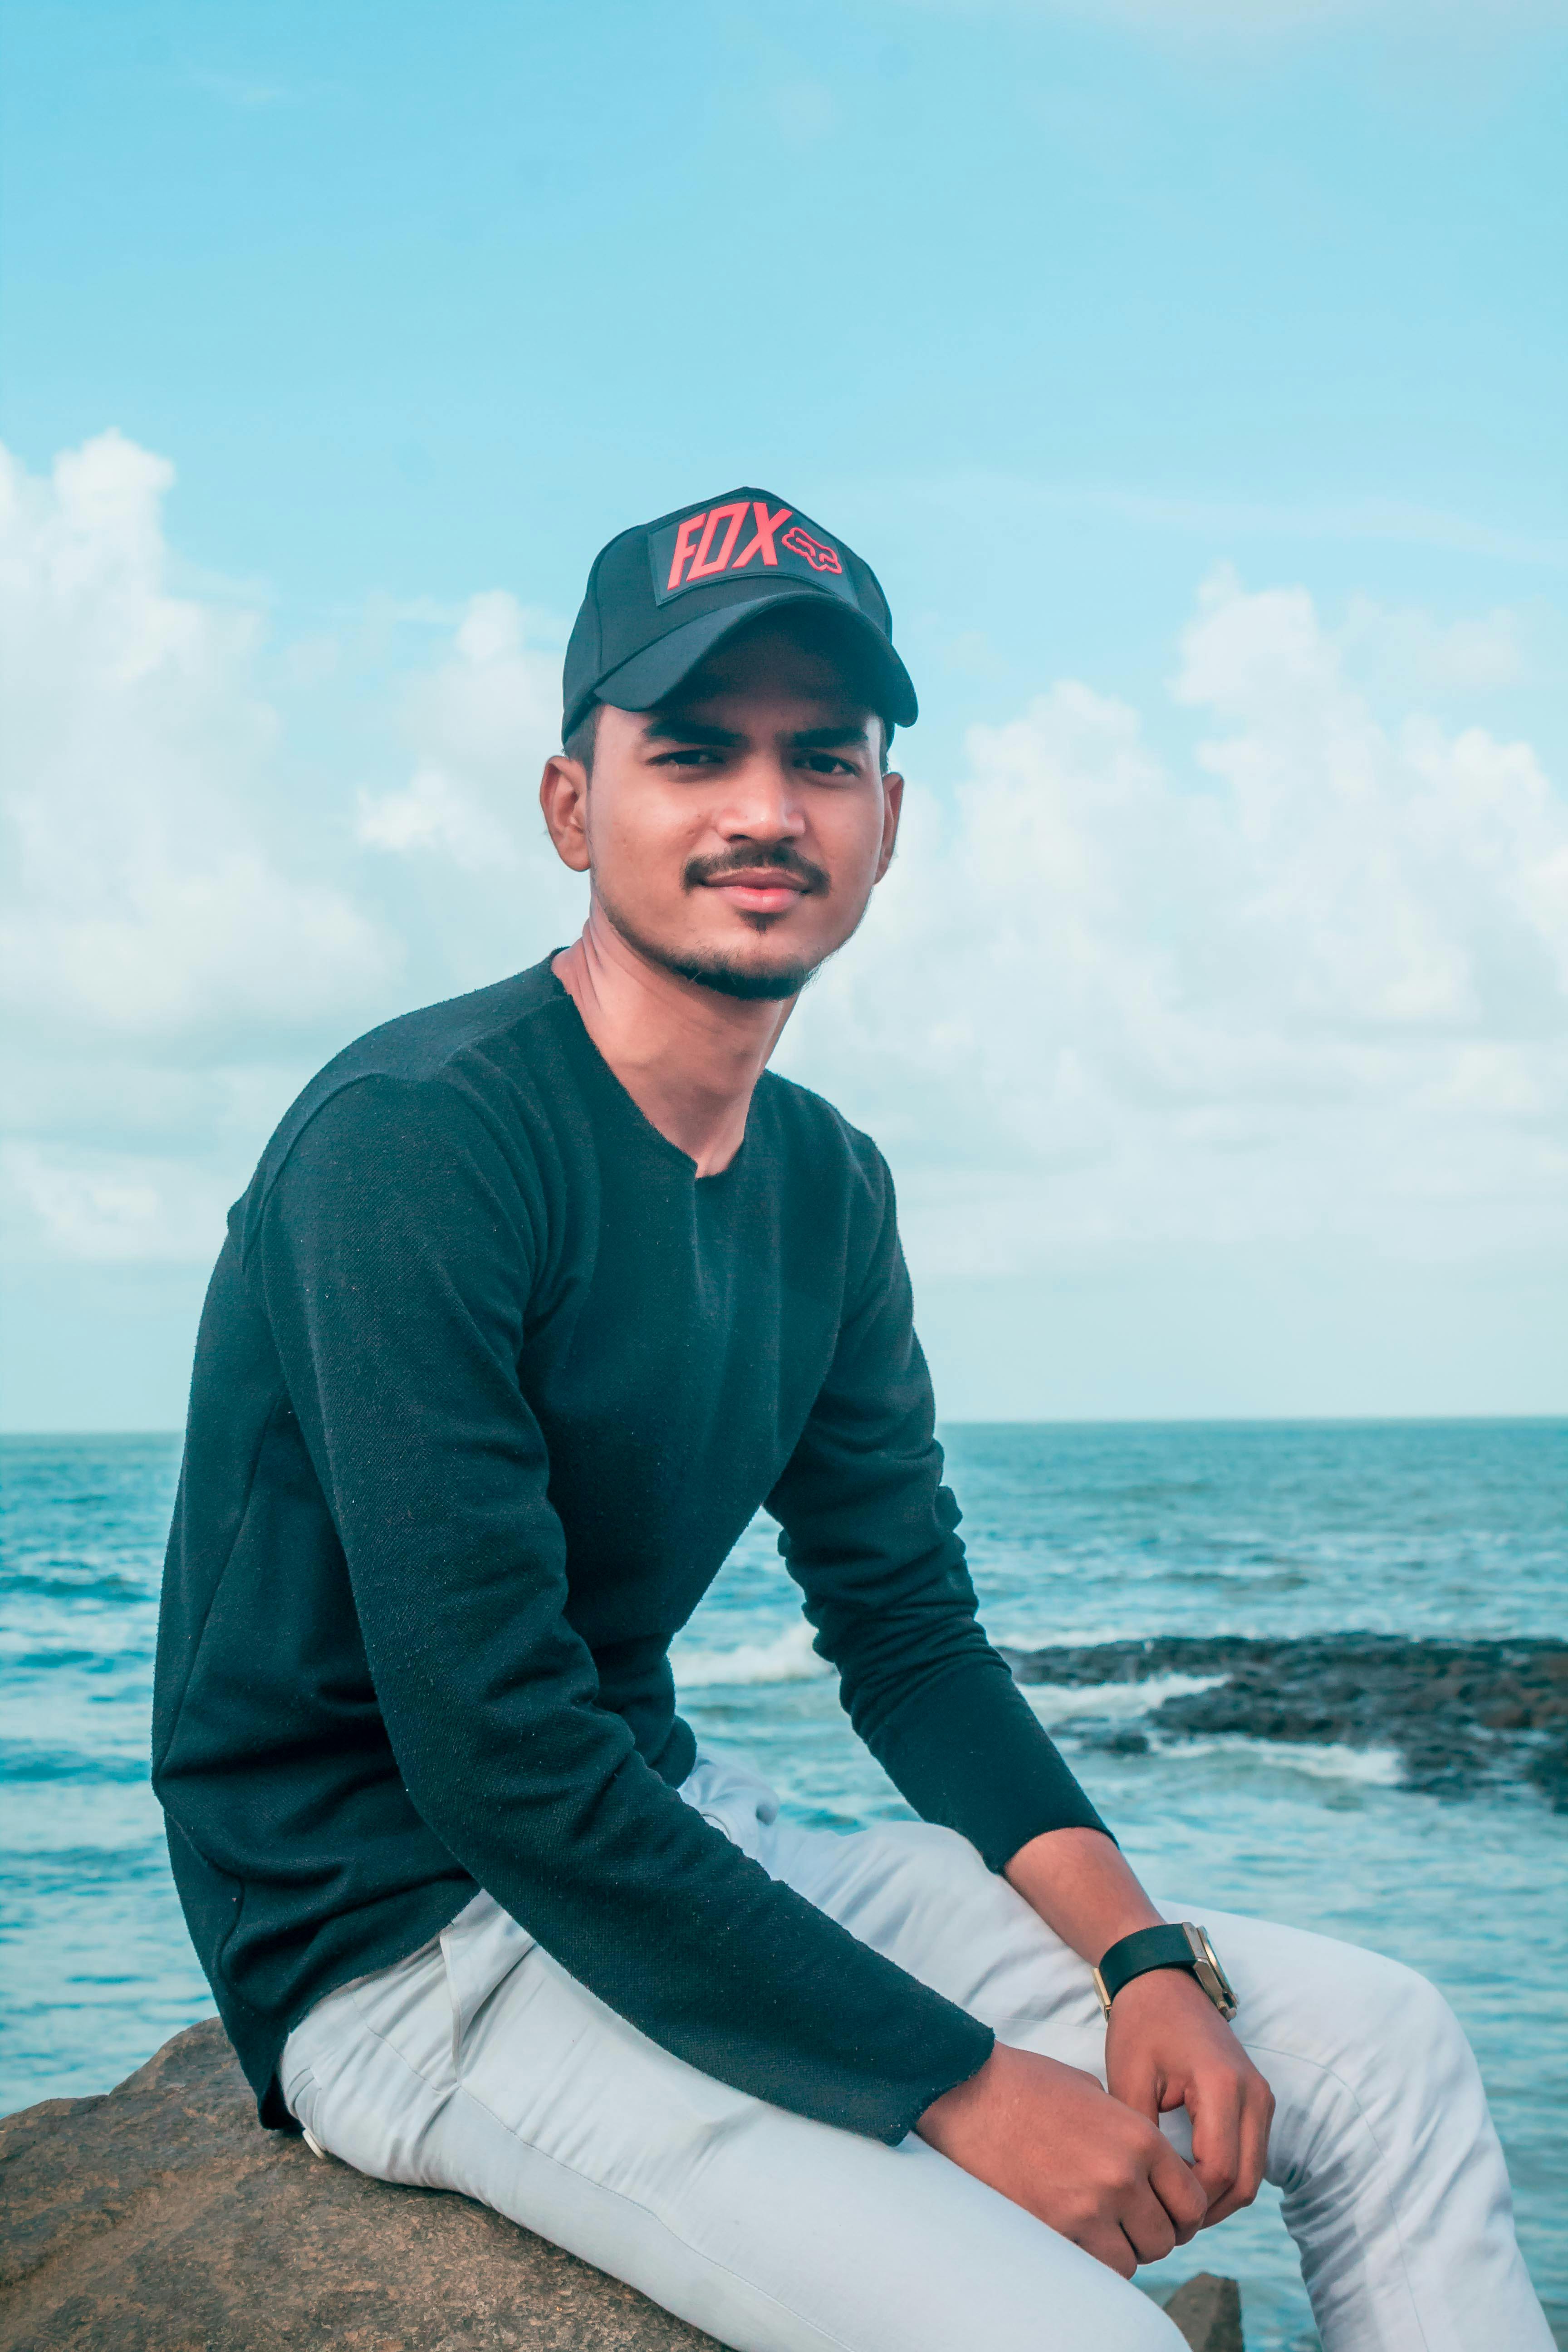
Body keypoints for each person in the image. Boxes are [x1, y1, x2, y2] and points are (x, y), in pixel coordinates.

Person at [152, 490, 1551, 2352]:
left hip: (661, 1833)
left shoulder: (829, 1184)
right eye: (693, 753)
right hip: (400, 1939)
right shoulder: (417, 1141)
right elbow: (495, 1758)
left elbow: (904, 1634)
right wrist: (963, 2085)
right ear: (575, 806)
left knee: (1378, 2048)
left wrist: (1144, 1965)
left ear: (888, 819)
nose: (763, 809)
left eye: (823, 757)